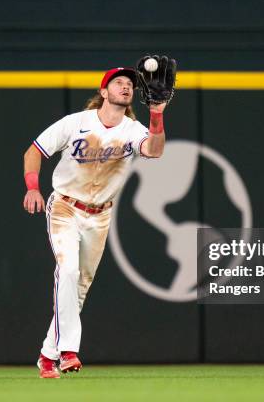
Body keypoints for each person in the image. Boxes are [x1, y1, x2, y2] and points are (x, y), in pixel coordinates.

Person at [22, 67, 167, 378]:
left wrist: (156, 114)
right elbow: (33, 151)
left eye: (130, 84)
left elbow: (154, 150)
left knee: (80, 287)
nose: (126, 87)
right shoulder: (76, 123)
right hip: (64, 207)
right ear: (104, 92)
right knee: (69, 271)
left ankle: (47, 356)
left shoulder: (132, 129)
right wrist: (33, 186)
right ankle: (68, 352)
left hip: (100, 214)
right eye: (118, 82)